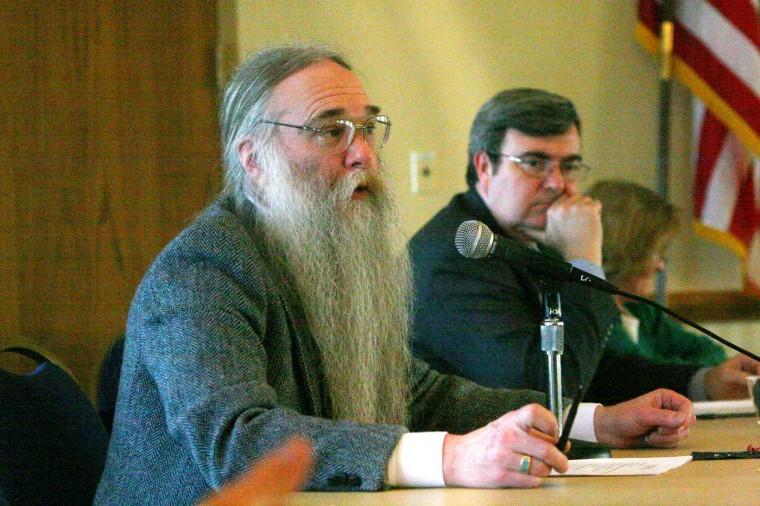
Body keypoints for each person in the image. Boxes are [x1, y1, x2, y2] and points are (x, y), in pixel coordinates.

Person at [95, 47, 695, 505]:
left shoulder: (326, 254)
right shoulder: (203, 270)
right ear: (253, 158)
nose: (363, 155)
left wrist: (588, 419)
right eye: (331, 131)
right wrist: (452, 457)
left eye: (368, 128)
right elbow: (237, 439)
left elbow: (417, 392)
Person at [410, 88, 759, 405]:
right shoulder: (455, 257)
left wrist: (704, 383)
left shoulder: (535, 240)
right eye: (534, 163)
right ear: (485, 166)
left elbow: (596, 367)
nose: (557, 184)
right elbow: (543, 389)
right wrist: (586, 261)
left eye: (570, 166)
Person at [587, 180, 727, 367]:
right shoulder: (593, 317)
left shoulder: (643, 312)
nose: (661, 266)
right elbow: (642, 374)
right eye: (656, 252)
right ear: (628, 249)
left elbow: (713, 353)